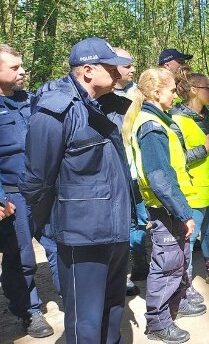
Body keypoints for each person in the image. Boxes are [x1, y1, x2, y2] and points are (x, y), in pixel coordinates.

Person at [21, 37, 134, 343]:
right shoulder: (54, 112)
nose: (119, 73)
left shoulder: (108, 106)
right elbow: (38, 182)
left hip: (116, 229)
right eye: (111, 68)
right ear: (87, 70)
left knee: (113, 309)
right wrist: (53, 228)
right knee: (85, 319)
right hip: (82, 235)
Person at [123, 67, 206, 343]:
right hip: (165, 206)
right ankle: (158, 322)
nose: (175, 95)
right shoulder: (151, 125)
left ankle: (176, 303)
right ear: (157, 93)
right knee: (166, 264)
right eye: (172, 90)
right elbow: (159, 177)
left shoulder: (161, 119)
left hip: (172, 203)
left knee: (177, 258)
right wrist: (184, 213)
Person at [0, 45, 54, 338]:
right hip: (13, 196)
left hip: (45, 191)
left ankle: (71, 298)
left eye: (22, 66)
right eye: (14, 67)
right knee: (20, 257)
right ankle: (28, 310)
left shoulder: (32, 101)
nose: (22, 72)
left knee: (59, 246)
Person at [171, 73, 209, 293]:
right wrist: (204, 149)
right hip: (193, 189)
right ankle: (184, 284)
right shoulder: (176, 120)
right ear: (194, 90)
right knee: (188, 238)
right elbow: (177, 159)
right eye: (207, 87)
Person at [97, 47, 148, 297]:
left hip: (136, 174)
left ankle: (140, 263)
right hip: (112, 177)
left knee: (139, 221)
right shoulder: (96, 100)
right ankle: (117, 275)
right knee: (117, 226)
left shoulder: (138, 95)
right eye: (126, 64)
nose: (132, 69)